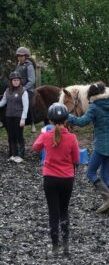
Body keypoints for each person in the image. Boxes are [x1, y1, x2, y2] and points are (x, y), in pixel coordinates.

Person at [67, 81, 109, 214]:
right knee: (105, 173)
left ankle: (107, 199)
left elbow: (82, 122)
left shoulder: (94, 107)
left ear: (93, 95)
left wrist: (67, 115)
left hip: (100, 146)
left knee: (91, 173)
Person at [32, 103, 80, 257]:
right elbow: (76, 159)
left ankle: (55, 248)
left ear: (50, 121)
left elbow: (35, 148)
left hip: (50, 178)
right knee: (64, 210)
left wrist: (42, 134)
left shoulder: (46, 136)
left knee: (53, 212)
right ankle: (66, 246)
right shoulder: (72, 138)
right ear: (66, 120)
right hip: (67, 178)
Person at [0, 71, 29, 163]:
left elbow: (26, 106)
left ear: (19, 81)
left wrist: (23, 118)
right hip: (9, 117)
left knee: (19, 136)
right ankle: (14, 154)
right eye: (14, 80)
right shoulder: (7, 91)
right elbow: (3, 102)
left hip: (18, 117)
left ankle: (21, 155)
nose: (16, 82)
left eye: (17, 80)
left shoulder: (23, 91)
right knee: (11, 136)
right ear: (11, 81)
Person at [15, 46, 36, 132]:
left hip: (28, 89)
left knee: (29, 103)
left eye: (22, 56)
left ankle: (32, 123)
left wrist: (24, 88)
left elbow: (32, 80)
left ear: (26, 56)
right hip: (18, 87)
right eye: (19, 56)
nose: (20, 57)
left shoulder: (29, 66)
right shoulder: (18, 65)